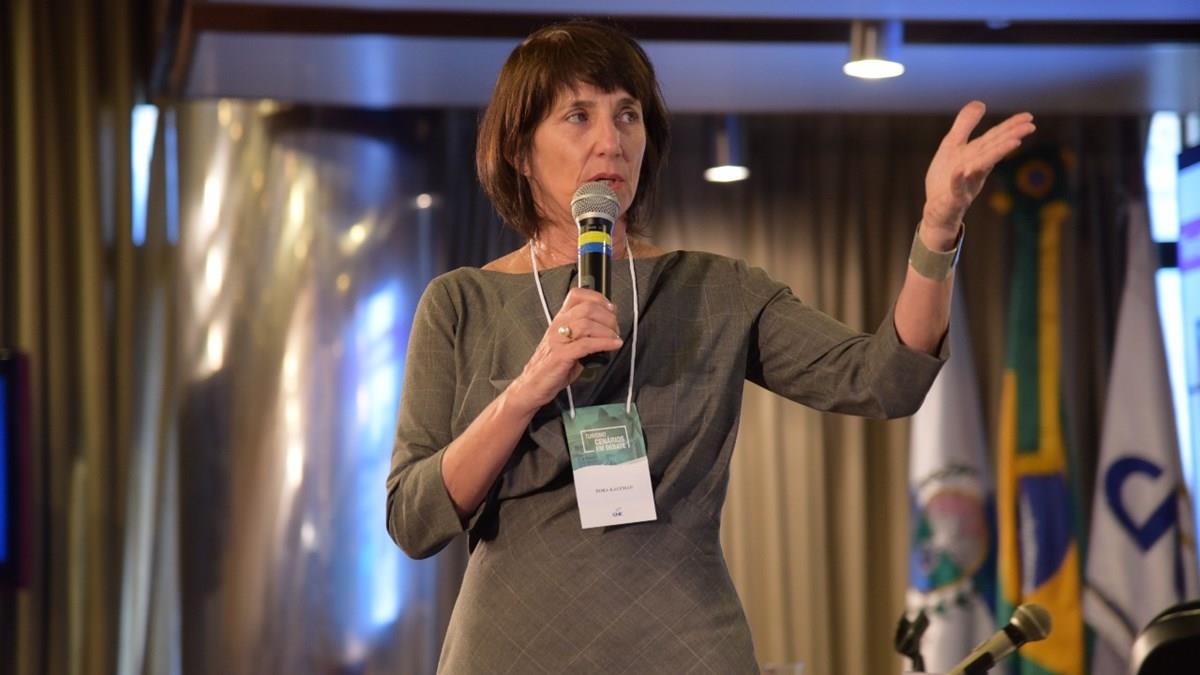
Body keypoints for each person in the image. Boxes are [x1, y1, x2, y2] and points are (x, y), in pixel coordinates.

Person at [386, 19, 1035, 674]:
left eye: (628, 115)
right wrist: (528, 389)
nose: (611, 141)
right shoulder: (459, 303)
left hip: (684, 645)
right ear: (519, 152)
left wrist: (939, 228)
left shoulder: (718, 290)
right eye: (578, 116)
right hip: (510, 647)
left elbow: (886, 380)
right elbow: (414, 519)